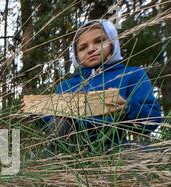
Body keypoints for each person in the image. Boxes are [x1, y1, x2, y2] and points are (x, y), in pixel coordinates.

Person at [42, 19, 162, 155]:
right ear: (76, 55)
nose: (91, 49)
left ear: (112, 42)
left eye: (99, 41)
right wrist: (39, 113)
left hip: (115, 150)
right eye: (83, 47)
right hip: (70, 153)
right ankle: (54, 165)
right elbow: (52, 127)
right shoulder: (66, 86)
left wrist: (127, 108)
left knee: (159, 153)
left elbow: (153, 120)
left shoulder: (132, 74)